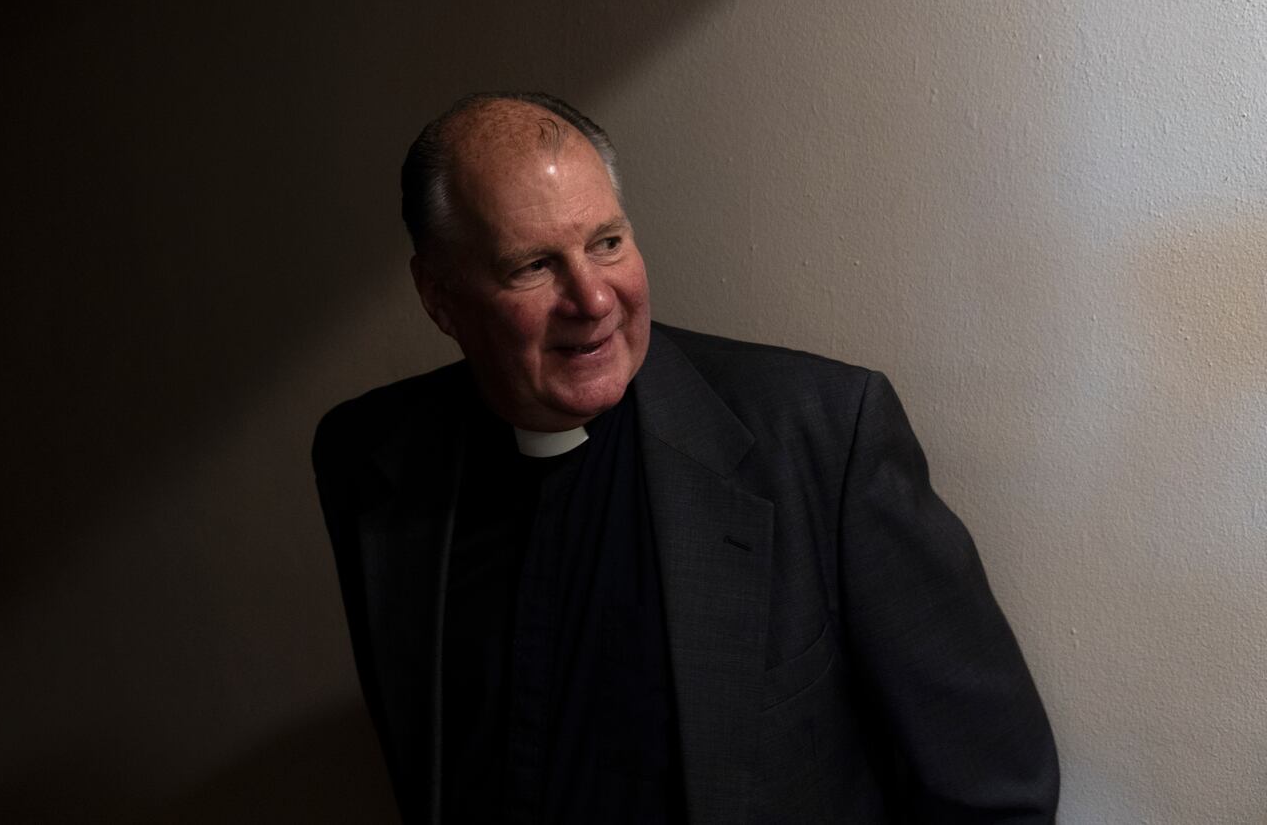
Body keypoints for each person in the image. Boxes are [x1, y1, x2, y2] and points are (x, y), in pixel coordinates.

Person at [313, 92, 1059, 824]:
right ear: (439, 298)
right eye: (534, 265)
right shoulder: (367, 458)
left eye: (607, 242)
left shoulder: (825, 435)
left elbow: (994, 790)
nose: (594, 299)